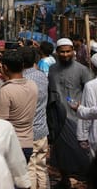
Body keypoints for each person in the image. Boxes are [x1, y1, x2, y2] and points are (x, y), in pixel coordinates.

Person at [48, 38, 94, 185]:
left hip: (76, 116)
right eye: (62, 51)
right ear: (57, 52)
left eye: (68, 51)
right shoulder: (52, 69)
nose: (66, 54)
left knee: (79, 150)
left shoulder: (82, 70)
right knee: (61, 151)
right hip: (58, 116)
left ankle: (85, 177)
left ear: (73, 51)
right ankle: (65, 178)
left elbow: (91, 91)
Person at [0, 49, 37, 161]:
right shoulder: (32, 85)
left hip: (12, 145)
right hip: (28, 143)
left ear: (5, 68)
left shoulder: (6, 91)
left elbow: (0, 123)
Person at [22, 47, 49, 189]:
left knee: (30, 168)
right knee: (42, 167)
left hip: (29, 132)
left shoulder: (22, 80)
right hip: (42, 129)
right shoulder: (42, 76)